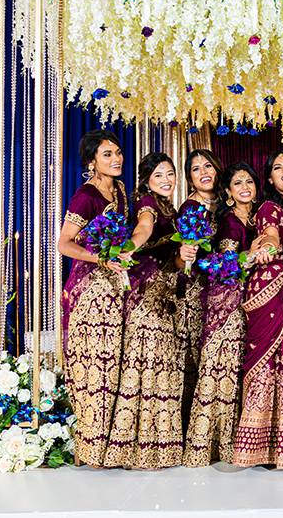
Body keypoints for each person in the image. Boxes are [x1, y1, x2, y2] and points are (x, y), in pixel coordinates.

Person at [232, 151, 283, 469]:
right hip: (268, 289)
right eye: (277, 168)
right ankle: (256, 446)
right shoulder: (268, 208)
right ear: (270, 179)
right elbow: (270, 234)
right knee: (268, 362)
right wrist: (266, 247)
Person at [105, 152, 183, 469]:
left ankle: (159, 443)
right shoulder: (147, 203)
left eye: (169, 174)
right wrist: (128, 249)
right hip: (147, 291)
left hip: (164, 289)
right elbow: (145, 228)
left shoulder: (170, 207)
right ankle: (137, 447)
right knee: (148, 362)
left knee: (160, 362)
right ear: (146, 181)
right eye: (159, 175)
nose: (166, 180)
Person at [58, 129, 128, 467]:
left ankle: (112, 446)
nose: (116, 159)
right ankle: (91, 449)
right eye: (107, 154)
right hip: (90, 288)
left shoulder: (120, 191)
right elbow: (64, 244)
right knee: (94, 367)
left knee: (112, 365)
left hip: (116, 290)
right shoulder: (85, 196)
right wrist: (101, 259)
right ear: (91, 162)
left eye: (117, 152)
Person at [183, 162, 258, 467]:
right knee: (221, 369)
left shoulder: (256, 217)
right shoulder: (229, 223)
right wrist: (251, 256)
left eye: (249, 182)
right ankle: (210, 444)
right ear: (228, 191)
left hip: (247, 301)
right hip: (227, 303)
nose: (245, 188)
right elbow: (227, 266)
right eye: (238, 183)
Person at [175, 149, 224, 430]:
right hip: (196, 291)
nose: (204, 172)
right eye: (196, 169)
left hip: (222, 290)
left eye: (208, 165)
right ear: (190, 178)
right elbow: (185, 258)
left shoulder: (223, 202)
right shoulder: (191, 209)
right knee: (195, 356)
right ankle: (192, 430)